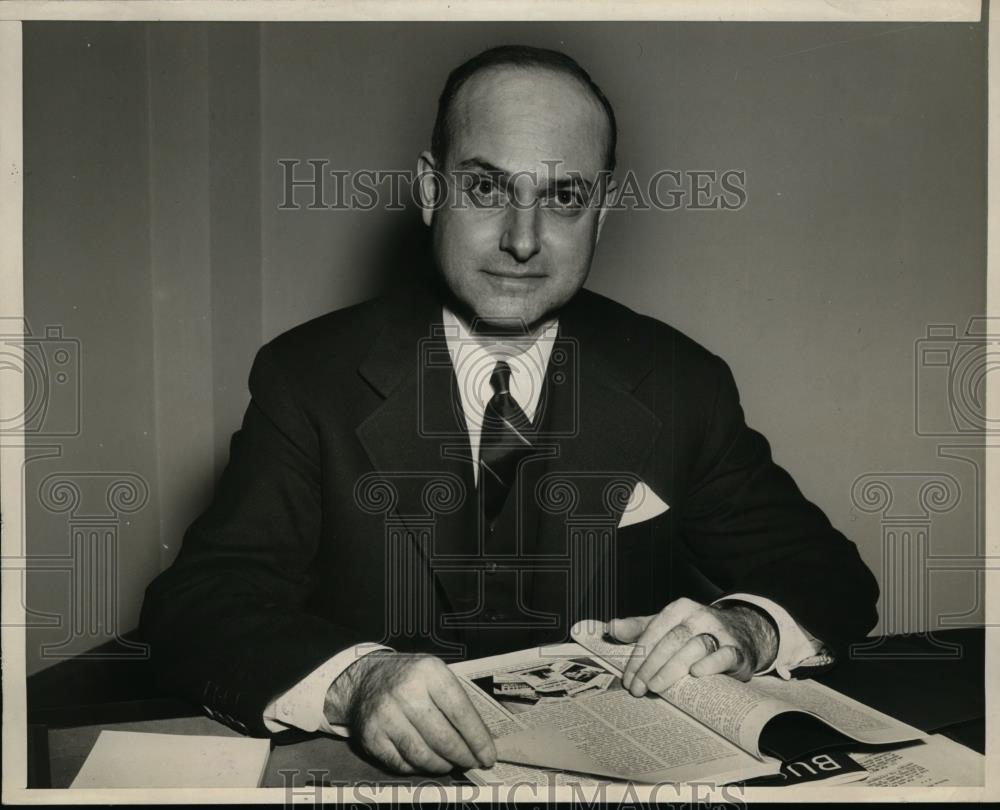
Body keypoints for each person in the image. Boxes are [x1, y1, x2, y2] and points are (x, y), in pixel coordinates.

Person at [139, 44, 879, 776]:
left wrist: (746, 628)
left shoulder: (684, 380)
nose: (523, 241)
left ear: (604, 209)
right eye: (487, 189)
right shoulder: (308, 375)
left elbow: (828, 577)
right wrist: (354, 681)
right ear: (431, 191)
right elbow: (199, 605)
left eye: (562, 197)